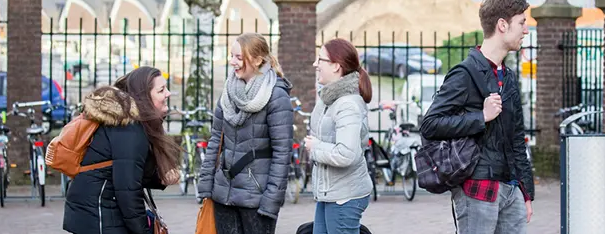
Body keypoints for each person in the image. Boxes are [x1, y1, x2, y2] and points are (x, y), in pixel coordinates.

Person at [419, 0, 534, 233]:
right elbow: (430, 124)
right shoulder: (464, 73)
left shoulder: (509, 77)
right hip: (478, 187)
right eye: (522, 23)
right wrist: (480, 117)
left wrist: (526, 191)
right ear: (502, 25)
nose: (526, 30)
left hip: (511, 189)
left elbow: (516, 138)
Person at [63, 66, 182, 234]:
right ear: (144, 96)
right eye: (161, 90)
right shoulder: (130, 129)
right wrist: (143, 231)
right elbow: (127, 190)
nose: (168, 94)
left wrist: (158, 179)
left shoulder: (130, 124)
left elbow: (125, 172)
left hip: (96, 212)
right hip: (100, 215)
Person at [197, 32, 294, 234]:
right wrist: (206, 185)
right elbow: (216, 139)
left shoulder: (276, 96)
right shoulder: (228, 92)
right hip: (223, 193)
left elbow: (282, 153)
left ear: (258, 60)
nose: (232, 62)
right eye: (231, 56)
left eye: (238, 57)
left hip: (256, 197)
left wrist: (271, 201)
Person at [304, 38, 373, 234]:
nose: (315, 64)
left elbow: (346, 153)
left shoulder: (348, 104)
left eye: (320, 60)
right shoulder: (329, 98)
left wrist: (315, 147)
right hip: (330, 193)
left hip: (344, 196)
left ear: (336, 66)